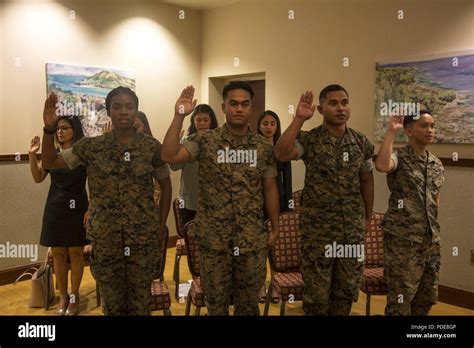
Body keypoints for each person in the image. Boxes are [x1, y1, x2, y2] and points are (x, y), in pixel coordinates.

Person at [40, 87, 172, 315]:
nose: (124, 112)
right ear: (108, 111)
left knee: (141, 304)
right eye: (117, 107)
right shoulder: (91, 148)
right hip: (106, 241)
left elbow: (167, 186)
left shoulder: (151, 147)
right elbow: (51, 162)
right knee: (112, 305)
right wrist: (49, 129)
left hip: (142, 241)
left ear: (136, 110)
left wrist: (160, 227)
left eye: (129, 107)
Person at [162, 82, 280, 315]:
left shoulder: (262, 148)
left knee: (248, 307)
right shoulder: (205, 141)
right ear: (224, 106)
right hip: (214, 242)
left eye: (245, 104)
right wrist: (179, 116)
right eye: (233, 104)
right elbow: (169, 154)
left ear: (251, 108)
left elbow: (270, 187)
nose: (239, 109)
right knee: (216, 305)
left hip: (251, 241)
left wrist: (275, 226)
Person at [275, 85, 374, 315]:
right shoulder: (310, 140)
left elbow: (367, 181)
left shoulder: (361, 143)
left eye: (344, 102)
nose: (340, 108)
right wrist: (299, 120)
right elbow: (281, 153)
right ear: (320, 109)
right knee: (317, 297)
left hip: (351, 233)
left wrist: (368, 217)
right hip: (317, 234)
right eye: (333, 103)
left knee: (345, 293)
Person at [375, 112, 444, 315]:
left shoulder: (437, 164)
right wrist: (390, 132)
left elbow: (435, 202)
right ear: (409, 131)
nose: (430, 130)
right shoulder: (400, 157)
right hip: (403, 242)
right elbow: (381, 165)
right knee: (400, 301)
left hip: (430, 242)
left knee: (425, 299)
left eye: (432, 125)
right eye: (424, 125)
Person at [29, 116, 88, 315]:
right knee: (59, 254)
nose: (60, 132)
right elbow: (38, 178)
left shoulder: (82, 153)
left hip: (79, 207)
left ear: (75, 130)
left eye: (65, 128)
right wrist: (31, 155)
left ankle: (74, 295)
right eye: (57, 128)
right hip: (55, 207)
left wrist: (92, 208)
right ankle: (63, 296)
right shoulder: (51, 154)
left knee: (76, 253)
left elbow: (97, 181)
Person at [256, 110, 293, 303]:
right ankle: (260, 284)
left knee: (277, 247)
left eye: (272, 123)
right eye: (265, 123)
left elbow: (288, 178)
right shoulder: (254, 147)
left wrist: (288, 204)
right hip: (257, 201)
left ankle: (275, 283)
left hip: (280, 199)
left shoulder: (283, 147)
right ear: (259, 126)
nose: (269, 127)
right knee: (262, 245)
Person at [169, 104, 219, 225]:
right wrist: (176, 144)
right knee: (191, 238)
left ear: (211, 122)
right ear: (193, 122)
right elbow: (174, 167)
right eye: (198, 120)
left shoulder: (220, 142)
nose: (202, 123)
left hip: (214, 202)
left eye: (206, 120)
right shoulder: (187, 141)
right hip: (189, 201)